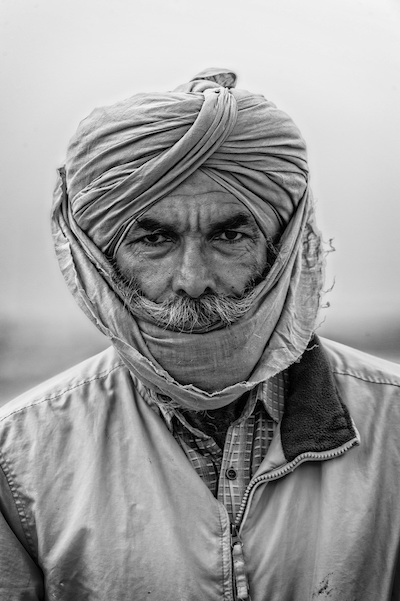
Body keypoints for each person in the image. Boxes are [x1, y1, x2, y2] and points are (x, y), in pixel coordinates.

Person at [0, 68, 399, 601]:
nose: (193, 280)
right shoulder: (20, 458)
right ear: (98, 258)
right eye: (155, 238)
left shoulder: (392, 428)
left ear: (284, 248)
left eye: (229, 234)